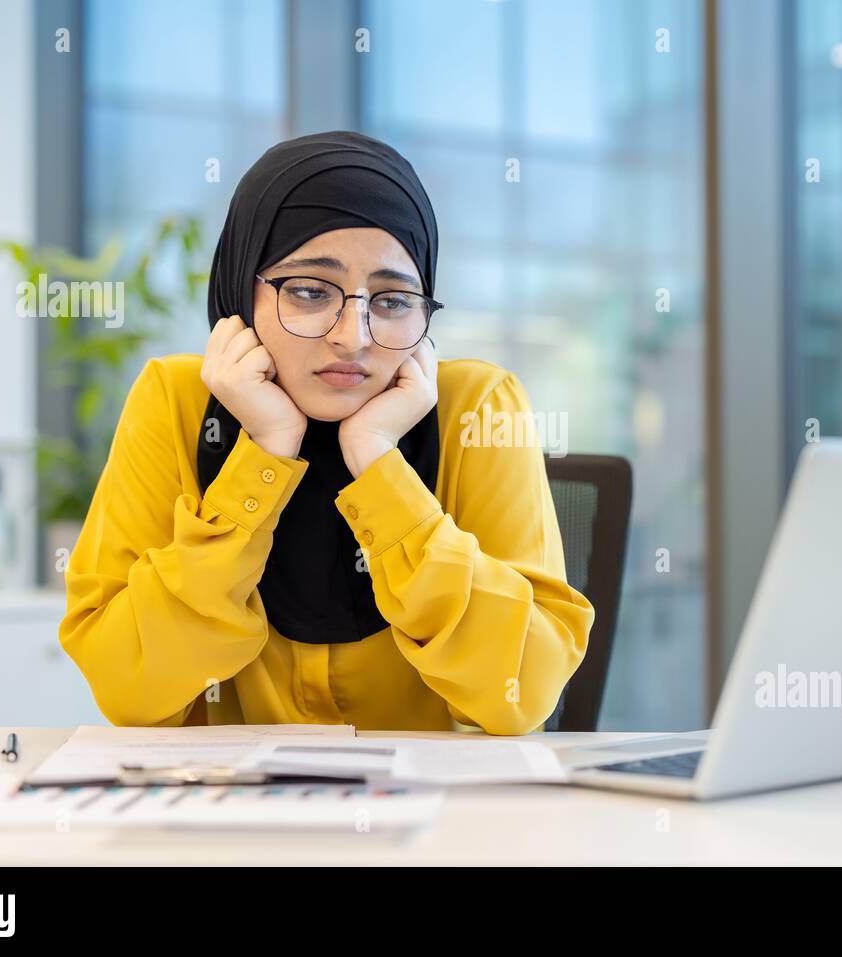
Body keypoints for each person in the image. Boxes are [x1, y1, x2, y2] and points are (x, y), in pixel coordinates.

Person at [59, 131, 593, 734]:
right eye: (311, 291)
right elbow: (126, 687)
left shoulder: (477, 411)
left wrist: (379, 464)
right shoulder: (177, 403)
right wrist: (262, 456)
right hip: (232, 819)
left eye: (392, 300)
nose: (354, 335)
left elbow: (519, 690)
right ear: (241, 290)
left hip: (440, 817)